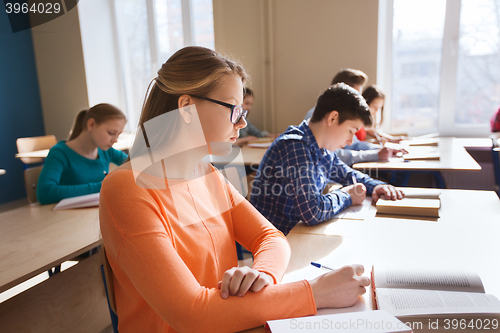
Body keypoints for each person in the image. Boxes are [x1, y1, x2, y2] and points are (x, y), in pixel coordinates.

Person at [99, 46, 370, 333]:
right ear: (186, 108)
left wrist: (260, 275)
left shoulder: (209, 175)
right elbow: (193, 314)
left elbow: (270, 237)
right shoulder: (126, 188)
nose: (242, 122)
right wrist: (316, 293)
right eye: (233, 109)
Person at [250, 83, 404, 235]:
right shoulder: (295, 146)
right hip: (272, 241)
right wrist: (347, 195)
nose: (351, 141)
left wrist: (376, 186)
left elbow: (346, 174)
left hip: (295, 234)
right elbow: (312, 212)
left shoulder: (323, 148)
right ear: (333, 118)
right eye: (351, 131)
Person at [304, 70, 402, 165]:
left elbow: (355, 145)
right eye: (354, 95)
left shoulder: (346, 118)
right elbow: (337, 155)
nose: (357, 101)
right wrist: (374, 154)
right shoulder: (316, 116)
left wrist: (381, 149)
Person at [36, 104, 128, 204]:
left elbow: (136, 166)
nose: (115, 140)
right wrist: (104, 186)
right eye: (111, 133)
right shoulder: (59, 153)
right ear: (91, 125)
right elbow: (45, 192)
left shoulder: (107, 151)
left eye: (118, 135)